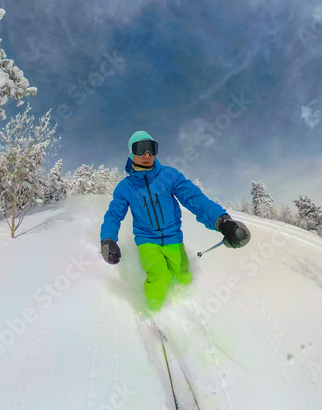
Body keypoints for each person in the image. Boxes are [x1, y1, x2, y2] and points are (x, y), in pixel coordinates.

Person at [99, 130, 250, 313]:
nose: (147, 155)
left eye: (152, 149)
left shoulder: (169, 176)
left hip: (173, 238)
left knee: (184, 280)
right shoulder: (125, 187)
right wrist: (108, 239)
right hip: (146, 240)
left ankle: (182, 312)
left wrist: (222, 221)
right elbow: (114, 214)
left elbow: (194, 198)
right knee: (161, 277)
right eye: (141, 149)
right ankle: (151, 313)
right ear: (131, 153)